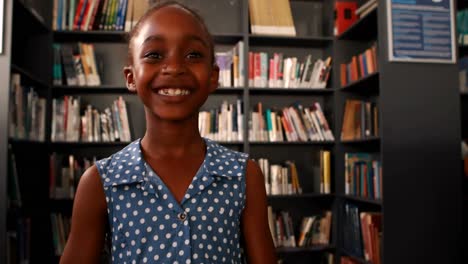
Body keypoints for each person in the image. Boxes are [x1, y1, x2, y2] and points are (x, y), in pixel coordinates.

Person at [60, 1, 277, 263]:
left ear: (213, 77)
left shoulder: (244, 175)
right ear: (130, 77)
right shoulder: (100, 182)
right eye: (154, 55)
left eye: (193, 55)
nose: (174, 68)